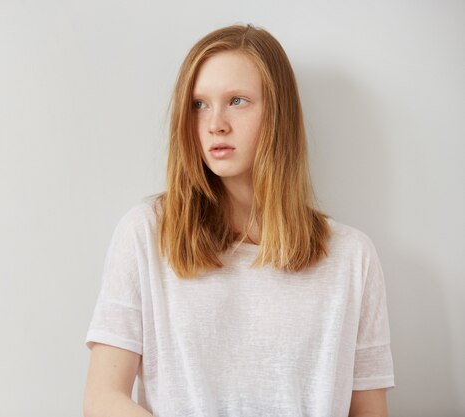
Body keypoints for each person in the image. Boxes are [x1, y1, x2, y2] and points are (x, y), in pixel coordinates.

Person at [83, 23, 395, 417]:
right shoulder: (146, 234)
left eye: (237, 101)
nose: (215, 123)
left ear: (278, 115)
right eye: (199, 104)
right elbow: (103, 399)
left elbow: (369, 410)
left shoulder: (351, 258)